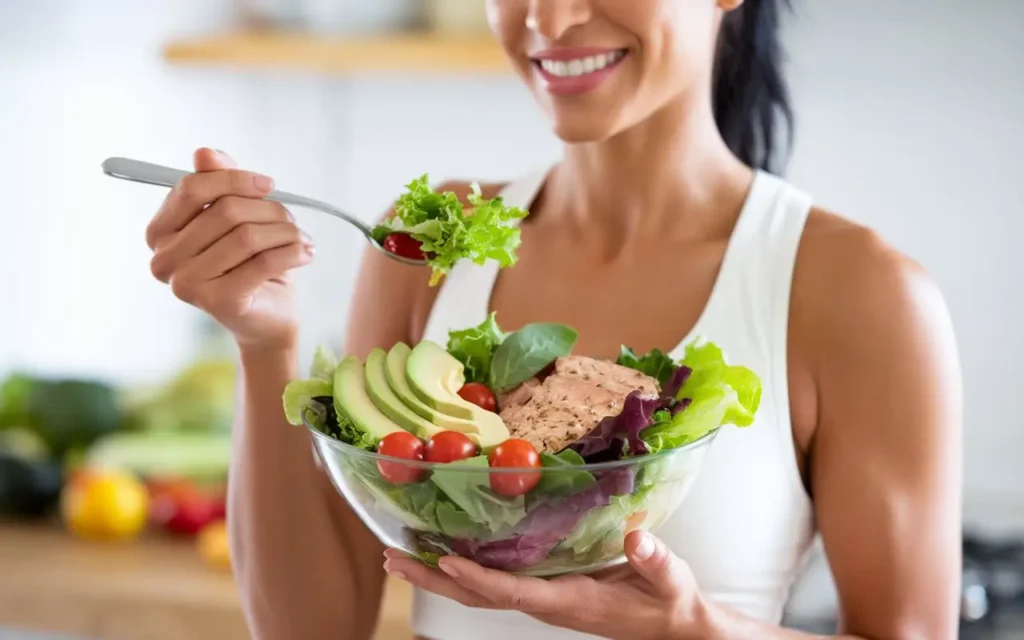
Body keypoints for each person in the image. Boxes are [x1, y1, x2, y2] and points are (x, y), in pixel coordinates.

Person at [144, 0, 963, 638]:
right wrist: (266, 342)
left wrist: (694, 630)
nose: (551, 19)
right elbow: (311, 631)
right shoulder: (429, 240)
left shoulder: (858, 294)